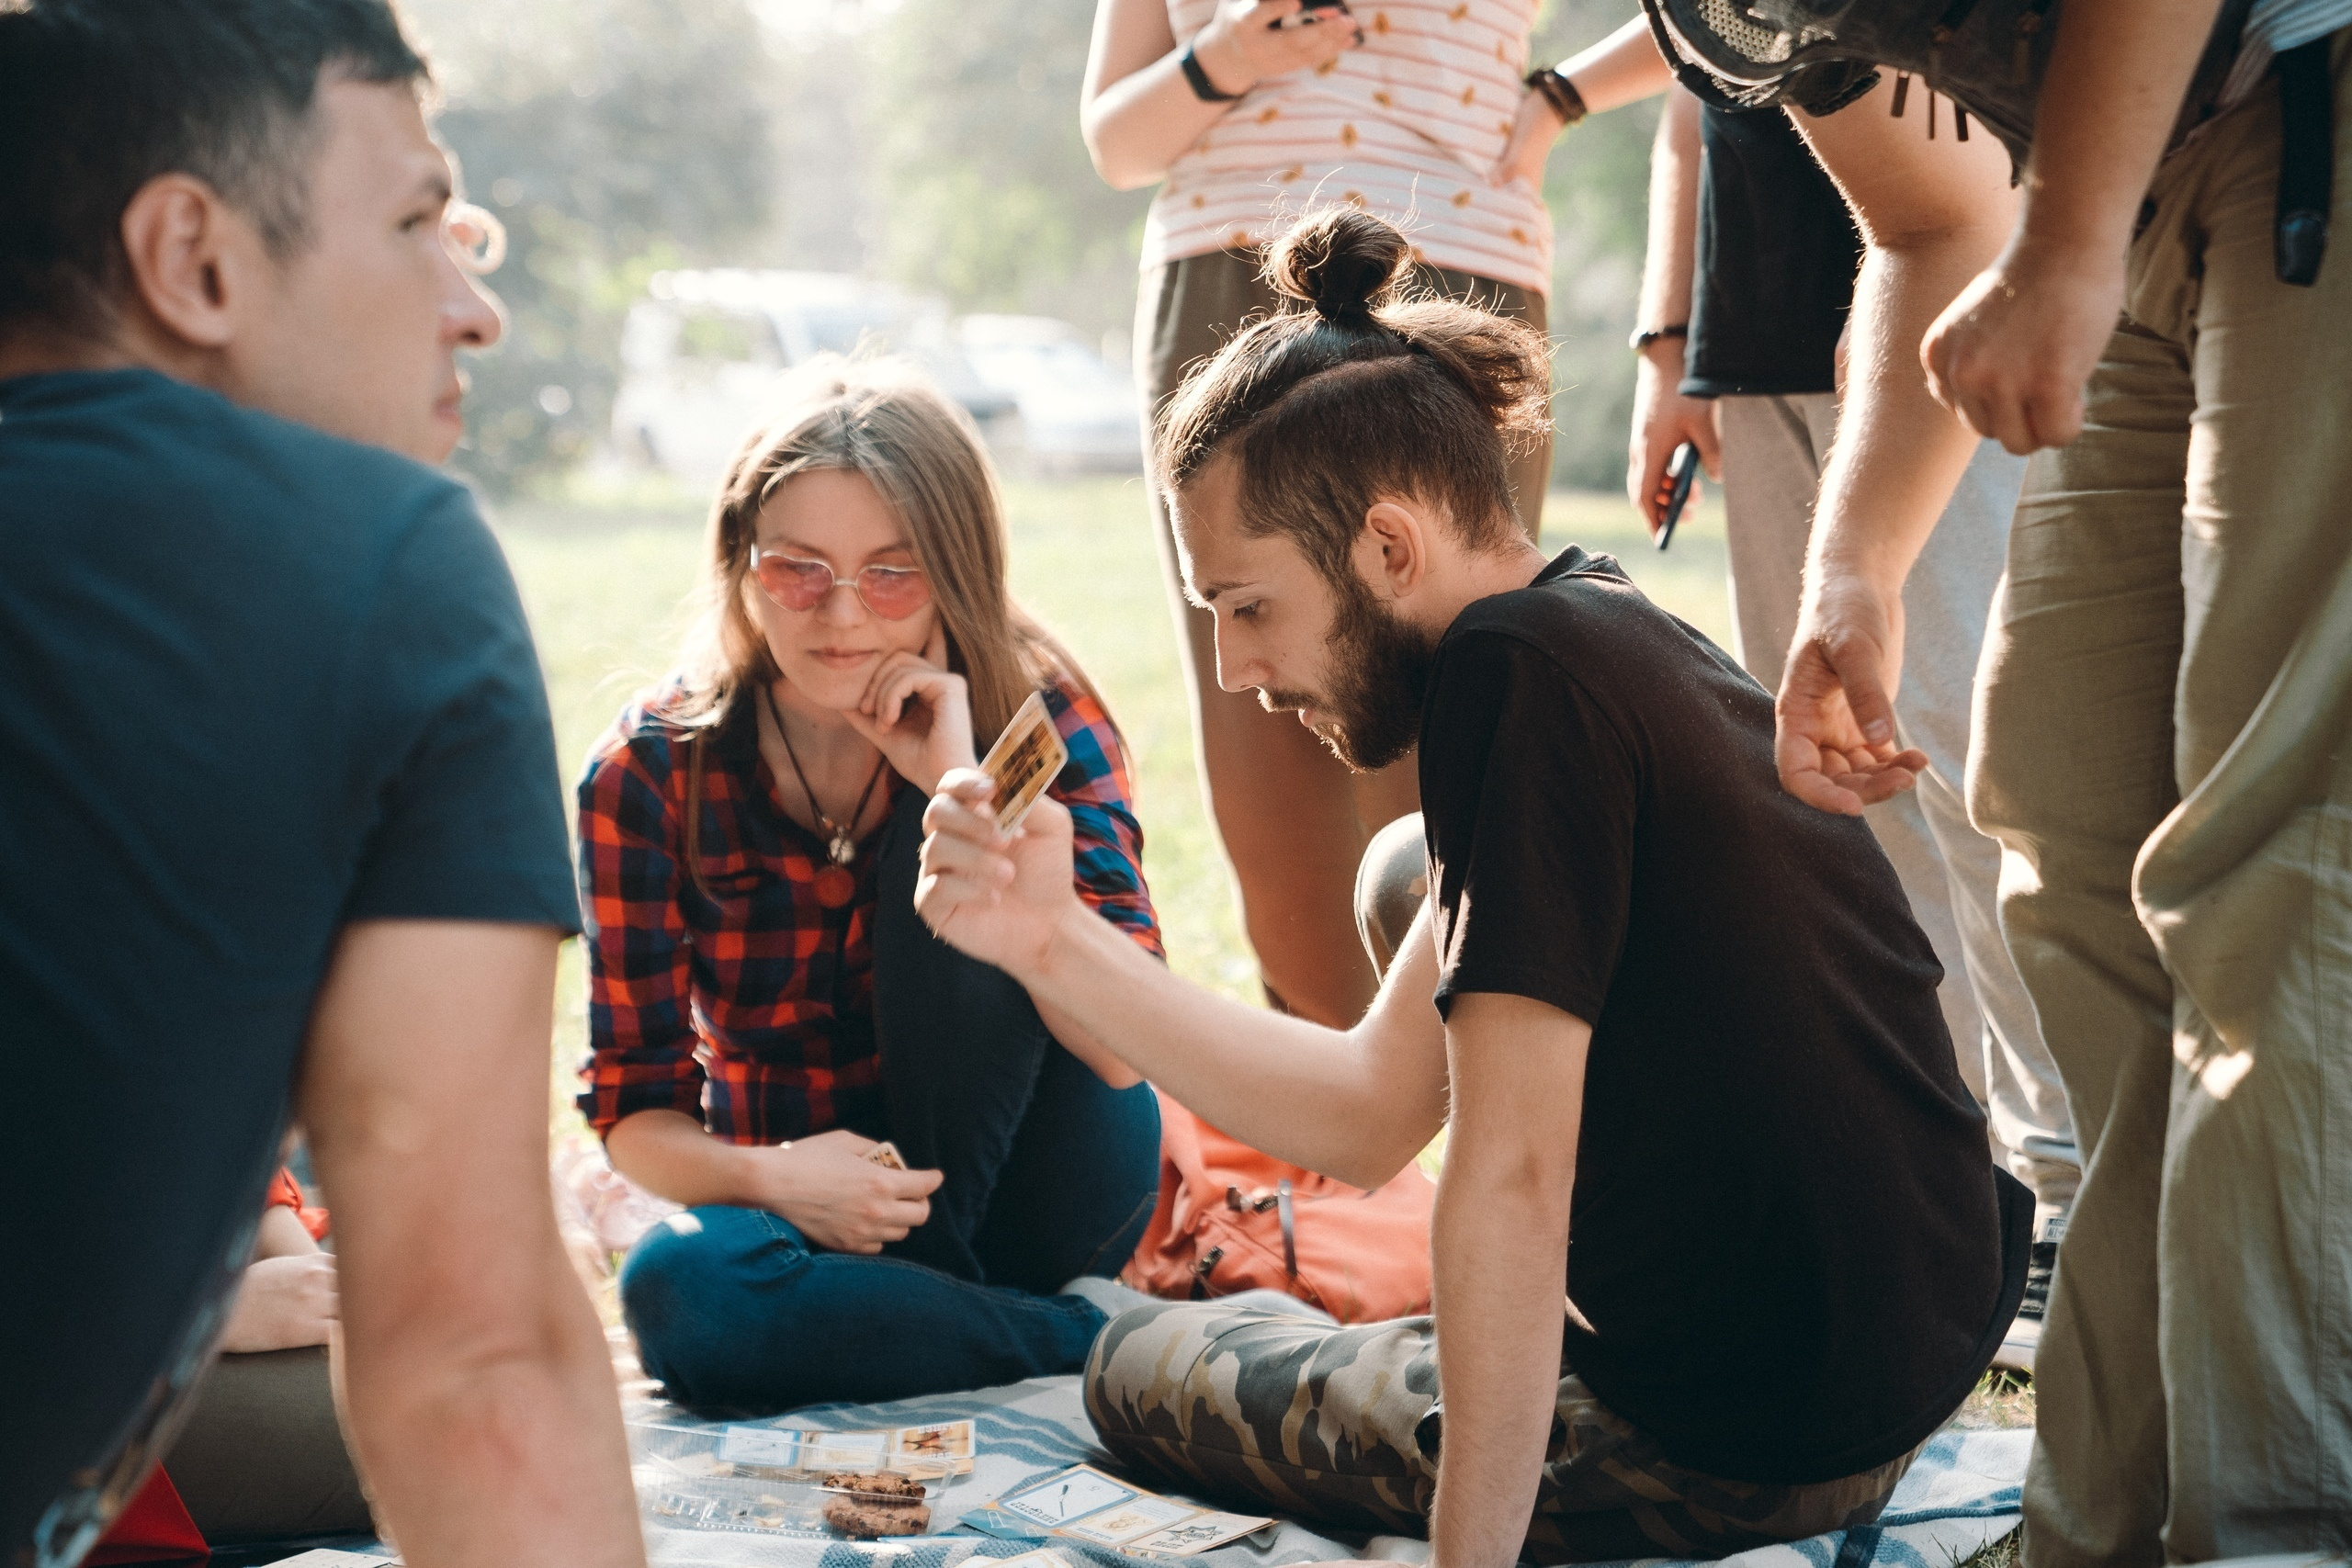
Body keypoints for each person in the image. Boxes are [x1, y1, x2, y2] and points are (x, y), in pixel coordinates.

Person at [913, 209, 2030, 1566]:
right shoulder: (1586, 618)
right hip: (1892, 1368)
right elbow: (1374, 1107)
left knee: (1135, 1371)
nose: (1235, 670)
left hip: (1736, 1445)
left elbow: (1506, 1176)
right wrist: (1048, 937)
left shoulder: (1512, 686)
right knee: (1403, 876)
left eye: (1248, 605)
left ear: (1388, 548)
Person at [1644, 0, 2352, 1560]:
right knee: (2069, 836)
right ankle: (2102, 1517)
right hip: (2150, 177)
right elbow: (1927, 213)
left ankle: (2278, 1523)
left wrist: (2069, 243)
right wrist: (1856, 569)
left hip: (2311, 98)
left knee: (2270, 860)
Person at [0, 3, 643, 1563]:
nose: (474, 312)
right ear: (194, 259)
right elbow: (469, 1367)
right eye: (421, 221)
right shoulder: (384, 571)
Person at [576, 365, 1164, 1415]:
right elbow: (635, 1114)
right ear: (740, 568)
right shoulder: (650, 776)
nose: (842, 616)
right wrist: (775, 1179)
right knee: (678, 1291)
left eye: (892, 574)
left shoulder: (1038, 714)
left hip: (1048, 1166)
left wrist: (953, 789)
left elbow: (1124, 1044)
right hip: (806, 1198)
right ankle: (1087, 1341)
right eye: (798, 570)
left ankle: (896, 1320)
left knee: (945, 863)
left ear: (954, 575)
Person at [1079, 0, 1666, 1028]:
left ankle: (1502, 1103)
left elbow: (1726, 20)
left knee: (1457, 707)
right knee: (1257, 686)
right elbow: (1115, 142)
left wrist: (1559, 99)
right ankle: (1332, 1135)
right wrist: (1226, 53)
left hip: (1452, 250)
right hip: (1227, 258)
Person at [1624, 83, 2077, 1368]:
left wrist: (1910, 300)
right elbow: (1687, 103)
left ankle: (2060, 1188)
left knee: (1969, 757)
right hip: (1763, 340)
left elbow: (1954, 162)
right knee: (1839, 776)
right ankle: (1945, 1171)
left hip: (1940, 315)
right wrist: (1673, 340)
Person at [158, 1169, 372, 1546]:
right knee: (433, 1414)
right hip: (102, 1375)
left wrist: (301, 1256)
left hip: (211, 1239)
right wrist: (208, 1315)